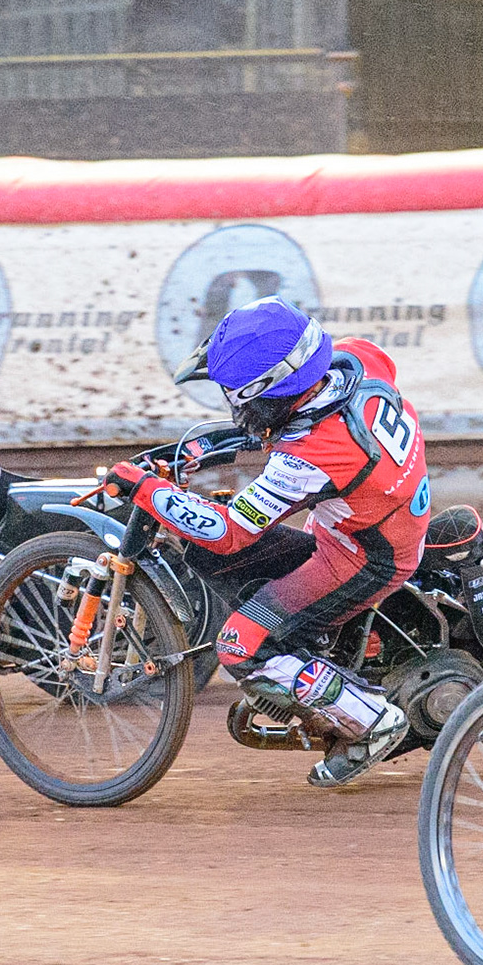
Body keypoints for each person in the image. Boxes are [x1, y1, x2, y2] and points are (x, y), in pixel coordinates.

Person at [101, 297, 431, 787]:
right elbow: (288, 424)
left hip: (363, 558)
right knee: (213, 555)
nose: (235, 407)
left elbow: (230, 531)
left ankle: (373, 724)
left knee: (238, 644)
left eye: (238, 396)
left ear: (273, 388)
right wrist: (198, 452)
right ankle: (312, 652)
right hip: (377, 519)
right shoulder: (356, 359)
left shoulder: (314, 457)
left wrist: (148, 490)